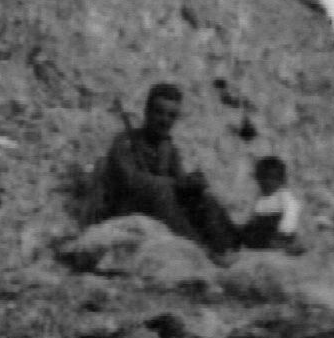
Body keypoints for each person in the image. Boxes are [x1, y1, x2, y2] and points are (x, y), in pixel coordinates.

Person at [90, 82, 236, 257]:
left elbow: (180, 182)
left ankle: (223, 247)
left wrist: (192, 183)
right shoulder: (125, 142)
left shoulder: (169, 148)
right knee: (162, 190)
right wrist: (173, 183)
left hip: (160, 209)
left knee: (203, 197)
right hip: (126, 209)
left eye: (171, 115)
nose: (165, 120)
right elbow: (131, 180)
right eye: (159, 112)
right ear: (147, 112)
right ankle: (196, 249)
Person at [235, 155, 302, 250]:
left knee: (271, 239)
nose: (267, 183)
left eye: (272, 179)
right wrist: (247, 224)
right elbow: (252, 213)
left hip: (277, 230)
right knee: (240, 231)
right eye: (262, 179)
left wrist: (284, 231)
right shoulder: (259, 195)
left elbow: (291, 212)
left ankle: (286, 244)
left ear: (281, 180)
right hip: (260, 228)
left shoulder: (283, 195)